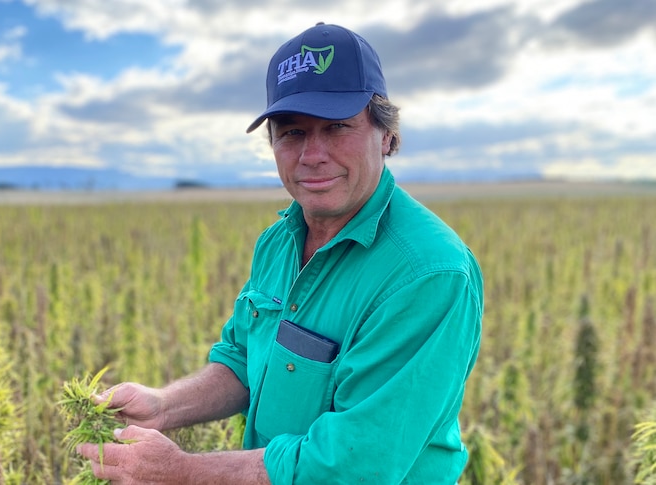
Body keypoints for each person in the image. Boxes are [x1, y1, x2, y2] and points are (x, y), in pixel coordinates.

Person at [77, 22, 483, 484]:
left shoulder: (428, 274)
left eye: (337, 128)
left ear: (386, 135)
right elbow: (243, 360)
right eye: (292, 132)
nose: (312, 154)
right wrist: (164, 406)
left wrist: (181, 472)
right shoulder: (280, 240)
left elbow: (353, 466)